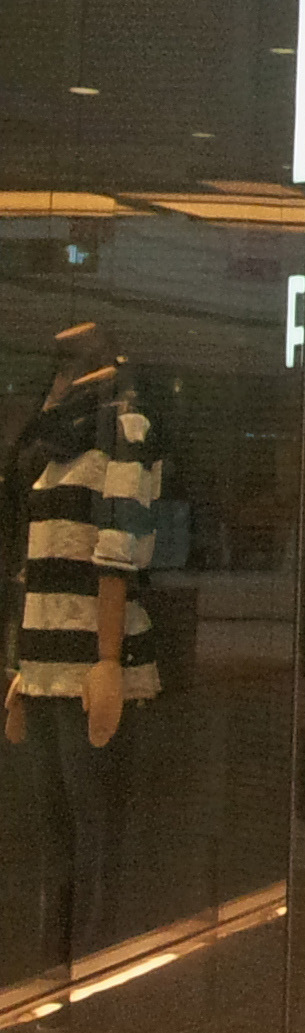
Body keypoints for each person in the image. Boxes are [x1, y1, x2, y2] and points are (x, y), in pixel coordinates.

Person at [2, 322, 166, 965]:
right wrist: (24, 662)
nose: (62, 378)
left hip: (91, 662)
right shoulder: (53, 444)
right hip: (46, 658)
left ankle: (99, 962)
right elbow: (34, 558)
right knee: (52, 824)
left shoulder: (125, 429)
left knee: (95, 822)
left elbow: (118, 552)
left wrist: (107, 663)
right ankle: (57, 963)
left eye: (74, 365)